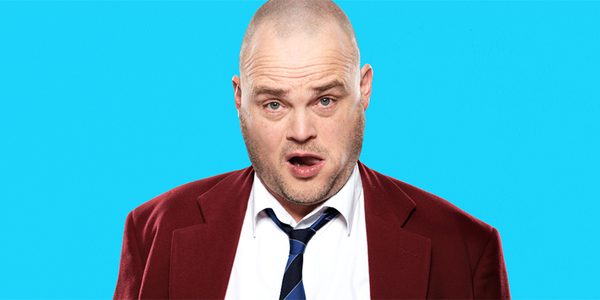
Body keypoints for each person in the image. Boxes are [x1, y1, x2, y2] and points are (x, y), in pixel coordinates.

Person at [114, 0, 510, 299]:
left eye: (325, 101)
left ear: (364, 88)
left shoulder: (464, 249)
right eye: (274, 104)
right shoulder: (156, 231)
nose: (301, 132)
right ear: (239, 98)